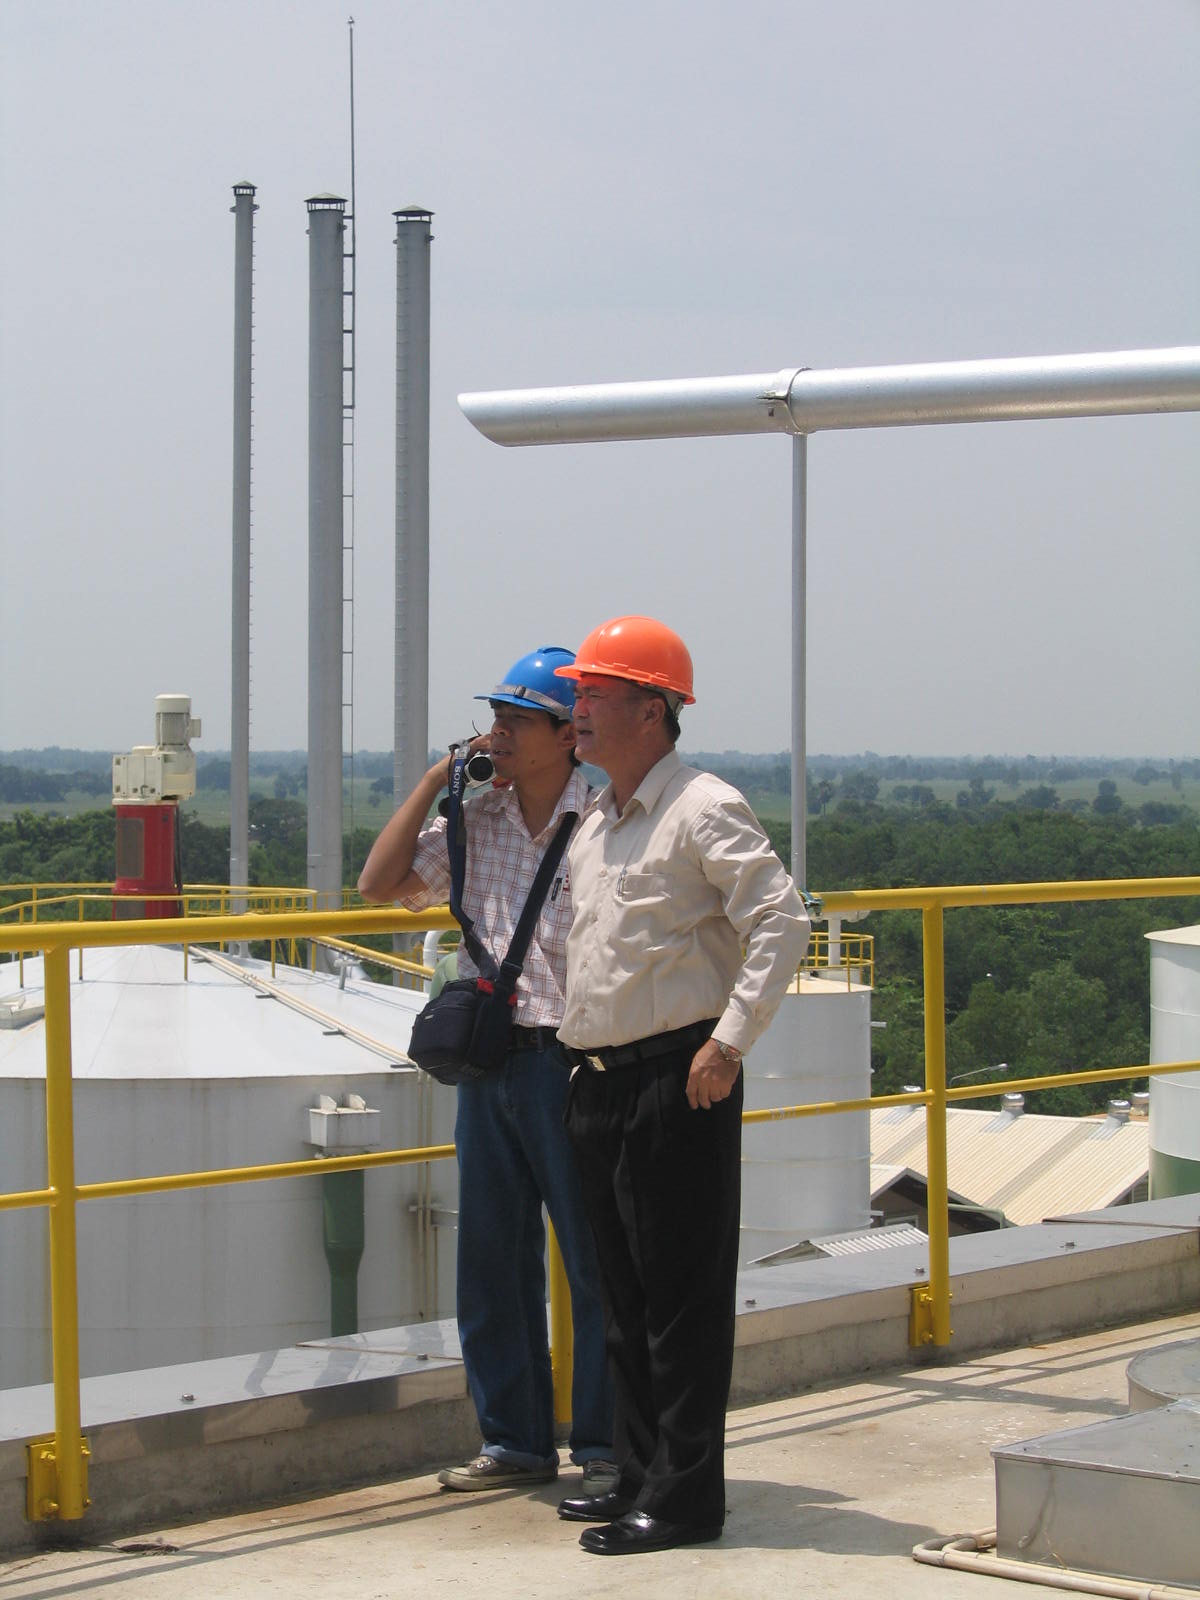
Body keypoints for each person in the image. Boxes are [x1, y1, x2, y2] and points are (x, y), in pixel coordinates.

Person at [551, 616, 810, 1555]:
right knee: (622, 1299)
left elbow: (782, 920)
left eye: (597, 694)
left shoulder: (702, 807)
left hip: (679, 1078)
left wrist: (728, 1043)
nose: (579, 710)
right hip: (599, 1081)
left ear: (653, 709)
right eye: (578, 695)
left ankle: (686, 1499)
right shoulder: (597, 820)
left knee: (680, 1304)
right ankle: (638, 1474)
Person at [357, 647, 615, 1496]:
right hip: (491, 1068)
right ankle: (513, 1443)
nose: (497, 733)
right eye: (494, 718)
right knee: (492, 1262)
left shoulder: (607, 820)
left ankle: (607, 1448)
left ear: (567, 734)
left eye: (516, 720)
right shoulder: (476, 820)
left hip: (575, 1064)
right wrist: (438, 778)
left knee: (595, 1261)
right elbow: (378, 884)